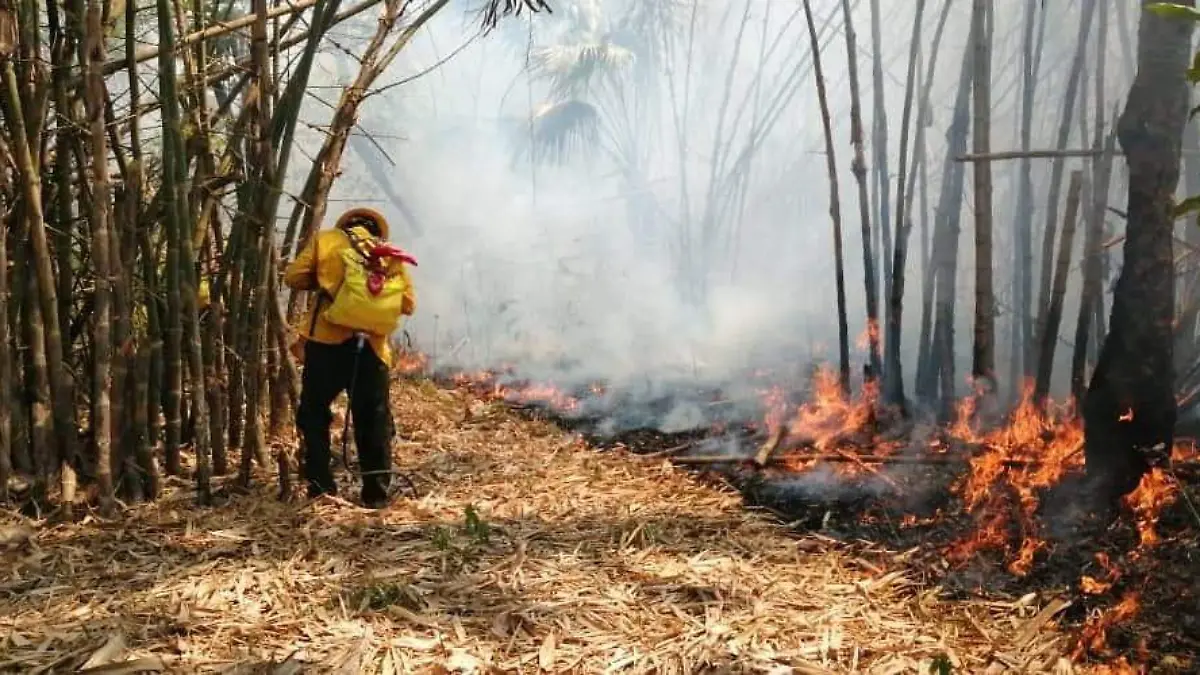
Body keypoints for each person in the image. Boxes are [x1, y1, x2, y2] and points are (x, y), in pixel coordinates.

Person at [284, 207, 416, 508]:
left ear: (347, 225)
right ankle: (376, 494)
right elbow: (408, 304)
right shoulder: (389, 253)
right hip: (372, 348)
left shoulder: (326, 240)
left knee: (314, 414)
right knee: (374, 420)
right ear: (375, 229)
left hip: (325, 345)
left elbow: (293, 277)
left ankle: (321, 487)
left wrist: (326, 283)